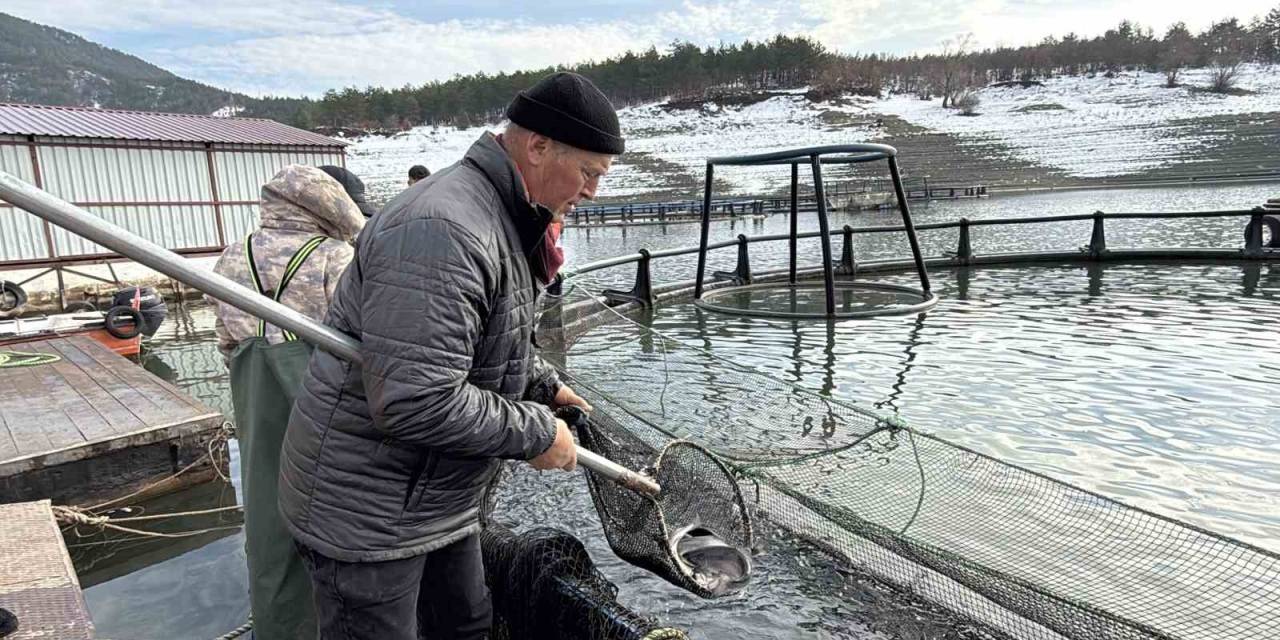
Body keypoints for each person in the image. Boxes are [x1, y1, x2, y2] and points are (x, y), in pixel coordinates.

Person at [278, 71, 623, 639]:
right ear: (537, 146)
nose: (592, 192)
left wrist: (540, 381)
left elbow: (480, 334)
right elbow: (417, 400)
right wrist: (539, 433)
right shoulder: (444, 228)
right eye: (588, 172)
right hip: (369, 516)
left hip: (436, 500)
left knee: (466, 625)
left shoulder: (503, 214)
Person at [212, 164, 365, 639]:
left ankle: (280, 629)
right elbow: (363, 342)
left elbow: (224, 340)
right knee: (341, 521)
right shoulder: (334, 256)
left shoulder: (232, 255)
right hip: (327, 412)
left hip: (255, 403)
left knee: (268, 527)